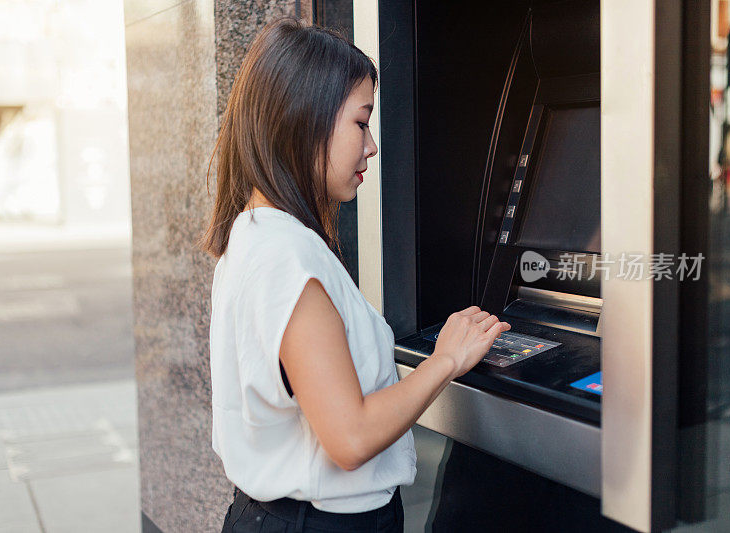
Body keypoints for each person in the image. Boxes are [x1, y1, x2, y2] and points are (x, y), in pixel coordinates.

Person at [200, 16, 511, 532]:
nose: (371, 146)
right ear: (306, 117)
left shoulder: (255, 234)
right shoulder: (285, 255)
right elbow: (349, 438)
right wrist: (447, 359)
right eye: (362, 122)